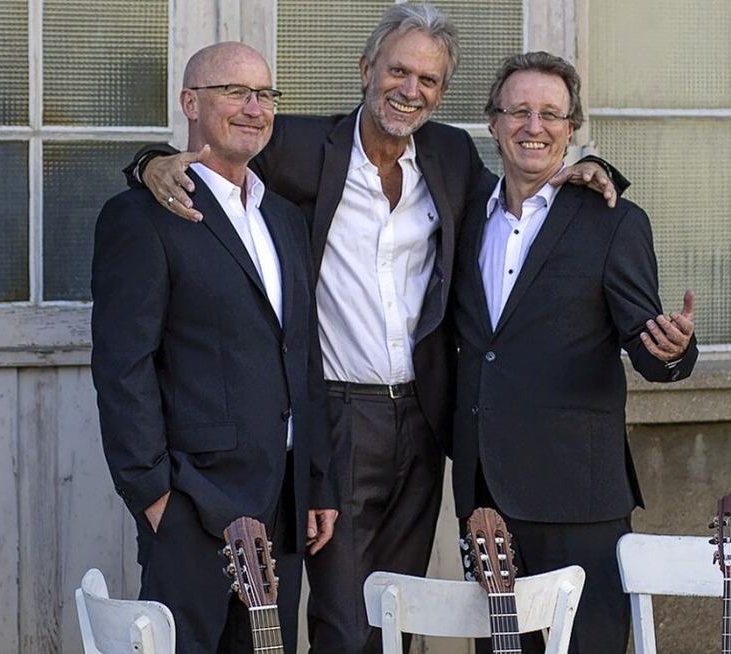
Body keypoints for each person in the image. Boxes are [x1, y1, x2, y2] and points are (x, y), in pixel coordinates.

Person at [124, 5, 624, 652]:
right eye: (398, 70)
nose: (411, 90)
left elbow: (522, 189)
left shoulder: (447, 156)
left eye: (430, 80)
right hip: (335, 414)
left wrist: (587, 171)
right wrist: (151, 162)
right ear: (365, 70)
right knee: (342, 613)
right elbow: (226, 140)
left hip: (419, 418)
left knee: (397, 607)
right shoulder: (302, 146)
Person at [90, 42, 338, 654]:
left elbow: (301, 356)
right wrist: (154, 495)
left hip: (283, 504)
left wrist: (316, 481)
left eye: (265, 94)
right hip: (193, 502)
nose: (254, 108)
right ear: (190, 102)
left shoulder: (284, 217)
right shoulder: (143, 216)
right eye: (234, 91)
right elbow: (123, 366)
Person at [450, 51, 698, 654]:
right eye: (520, 111)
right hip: (486, 494)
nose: (534, 126)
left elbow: (647, 344)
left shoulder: (613, 220)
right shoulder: (464, 215)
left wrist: (672, 351)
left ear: (570, 128)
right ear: (493, 122)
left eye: (551, 114)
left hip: (578, 497)